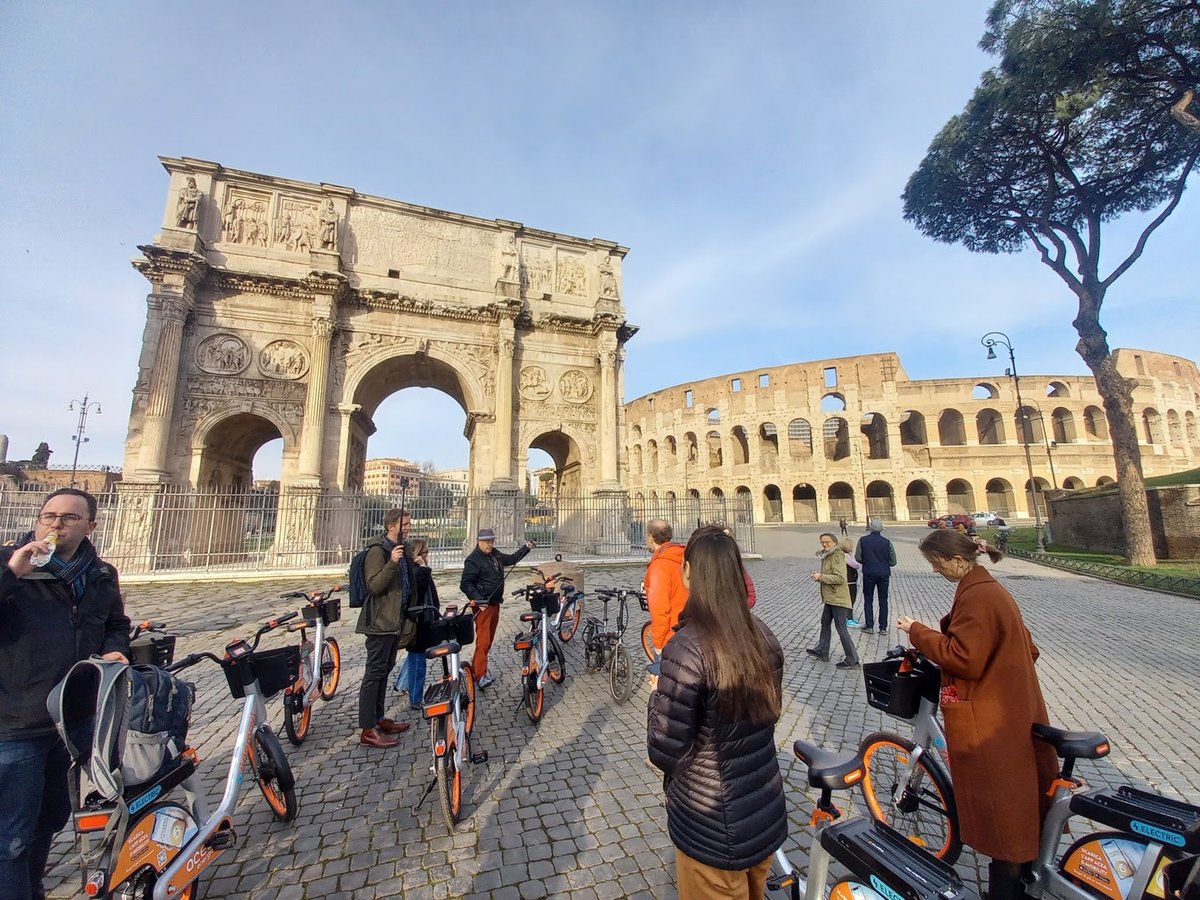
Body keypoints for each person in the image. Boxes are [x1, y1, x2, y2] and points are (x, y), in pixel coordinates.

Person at [897, 530, 1058, 900]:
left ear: (956, 560)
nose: (936, 571)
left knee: (1003, 809)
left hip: (993, 719)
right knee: (1017, 803)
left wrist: (917, 632)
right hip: (1013, 707)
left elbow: (964, 658)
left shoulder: (979, 596)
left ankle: (1005, 889)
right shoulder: (987, 590)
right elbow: (1027, 648)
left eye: (937, 565)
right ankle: (1020, 876)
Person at [0, 488, 130, 900]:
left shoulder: (101, 574)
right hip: (15, 722)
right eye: (49, 515)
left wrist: (116, 648)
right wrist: (12, 573)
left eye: (69, 518)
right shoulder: (9, 564)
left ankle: (33, 885)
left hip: (71, 720)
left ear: (91, 525)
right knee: (10, 837)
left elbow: (115, 623)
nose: (56, 524)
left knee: (51, 817)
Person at [648, 527, 786, 899]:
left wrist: (655, 697)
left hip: (710, 825)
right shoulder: (764, 635)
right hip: (764, 813)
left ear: (689, 572)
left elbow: (666, 750)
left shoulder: (686, 648)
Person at [355, 508, 417, 749]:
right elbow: (374, 586)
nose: (409, 526)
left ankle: (379, 718)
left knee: (385, 670)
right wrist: (392, 562)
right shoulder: (377, 551)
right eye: (405, 523)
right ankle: (367, 729)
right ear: (391, 526)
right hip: (380, 622)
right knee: (373, 674)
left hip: (395, 621)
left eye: (409, 523)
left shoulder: (403, 548)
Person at [460, 528, 535, 689]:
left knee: (488, 640)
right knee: (484, 641)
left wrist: (526, 547)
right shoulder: (473, 560)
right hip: (483, 606)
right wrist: (478, 599)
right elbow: (465, 584)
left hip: (494, 603)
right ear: (478, 541)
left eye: (492, 541)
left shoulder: (495, 554)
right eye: (487, 542)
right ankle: (480, 676)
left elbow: (511, 559)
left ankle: (477, 669)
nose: (490, 544)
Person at [394, 538, 438, 710]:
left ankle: (402, 683)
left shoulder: (417, 569)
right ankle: (415, 698)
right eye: (426, 552)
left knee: (414, 657)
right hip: (419, 621)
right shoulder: (416, 571)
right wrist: (424, 568)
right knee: (418, 660)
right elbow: (417, 591)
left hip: (424, 618)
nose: (428, 555)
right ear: (418, 554)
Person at [806, 532, 860, 669]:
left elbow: (840, 578)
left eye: (827, 542)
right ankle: (822, 651)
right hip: (830, 597)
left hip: (838, 598)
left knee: (841, 628)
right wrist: (818, 575)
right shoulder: (827, 555)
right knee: (825, 622)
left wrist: (821, 577)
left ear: (834, 542)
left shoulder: (837, 555)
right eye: (822, 542)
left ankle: (852, 659)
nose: (825, 544)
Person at [643, 519, 688, 657]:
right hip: (691, 630)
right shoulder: (685, 556)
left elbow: (660, 610)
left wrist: (658, 644)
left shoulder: (660, 566)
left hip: (671, 636)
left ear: (651, 537)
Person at [855, 519, 897, 634]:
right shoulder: (887, 542)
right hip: (883, 574)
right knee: (883, 600)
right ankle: (883, 628)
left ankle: (869, 626)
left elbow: (858, 557)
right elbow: (893, 561)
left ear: (870, 528)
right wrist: (884, 564)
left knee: (868, 599)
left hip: (869, 572)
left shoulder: (863, 540)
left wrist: (867, 562)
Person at [842, 538, 862, 627]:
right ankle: (848, 618)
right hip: (849, 582)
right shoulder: (845, 556)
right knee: (850, 600)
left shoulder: (844, 555)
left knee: (850, 600)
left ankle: (848, 617)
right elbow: (855, 565)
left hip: (850, 581)